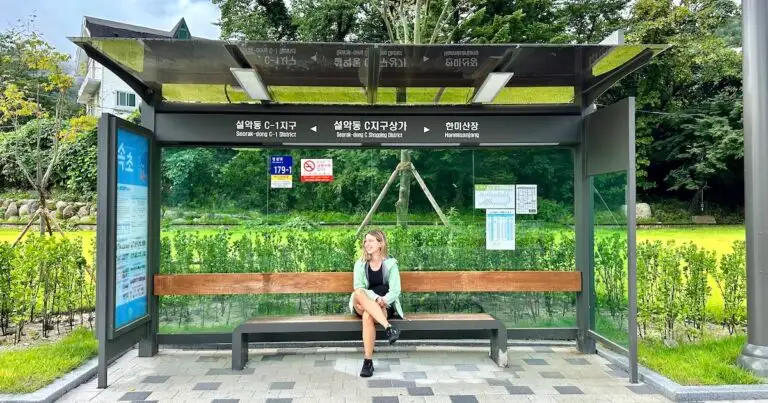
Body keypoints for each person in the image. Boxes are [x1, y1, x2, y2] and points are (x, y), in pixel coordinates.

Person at [348, 229, 403, 378]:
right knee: (359, 293)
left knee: (368, 316)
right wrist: (375, 298)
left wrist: (383, 300)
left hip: (384, 304)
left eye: (371, 240)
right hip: (361, 302)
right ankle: (389, 328)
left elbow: (395, 290)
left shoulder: (391, 264)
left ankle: (368, 362)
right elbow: (358, 287)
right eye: (366, 241)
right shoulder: (360, 264)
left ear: (381, 243)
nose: (367, 244)